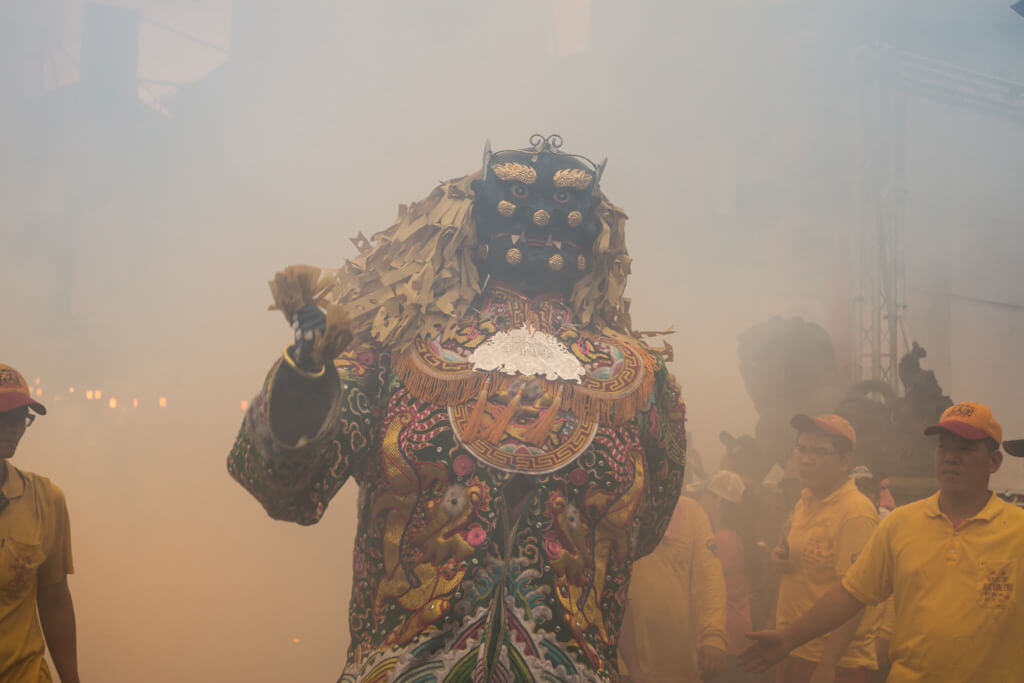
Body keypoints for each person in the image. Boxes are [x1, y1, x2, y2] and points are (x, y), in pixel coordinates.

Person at [227, 136, 688, 681]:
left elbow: (645, 529)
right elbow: (287, 490)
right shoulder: (396, 351)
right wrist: (304, 377)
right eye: (518, 195)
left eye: (562, 205)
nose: (541, 219)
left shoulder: (641, 377)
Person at [741, 401, 1024, 682]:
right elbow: (851, 593)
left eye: (965, 448)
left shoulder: (1017, 531)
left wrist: (828, 662)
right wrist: (789, 638)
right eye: (943, 447)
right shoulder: (901, 524)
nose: (951, 457)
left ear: (994, 462)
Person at [771, 414, 880, 683]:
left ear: (845, 461)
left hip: (834, 663)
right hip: (793, 648)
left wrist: (827, 664)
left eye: (819, 452)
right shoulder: (805, 499)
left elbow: (857, 595)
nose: (806, 459)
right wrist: (781, 557)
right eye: (801, 449)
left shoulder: (855, 512)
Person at [0, 364, 79, 683]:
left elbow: (55, 601)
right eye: (3, 418)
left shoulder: (45, 500)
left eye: (20, 418)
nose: (13, 429)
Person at [619, 494, 727, 681]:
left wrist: (714, 636)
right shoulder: (615, 509)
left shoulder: (692, 513)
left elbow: (710, 579)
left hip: (678, 664)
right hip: (621, 664)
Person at [697, 469, 758, 682]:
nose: (700, 500)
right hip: (736, 630)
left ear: (718, 501)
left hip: (724, 634)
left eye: (705, 495)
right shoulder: (735, 536)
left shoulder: (722, 541)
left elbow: (701, 584)